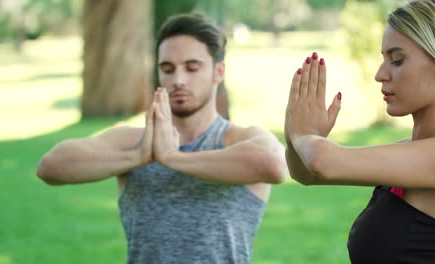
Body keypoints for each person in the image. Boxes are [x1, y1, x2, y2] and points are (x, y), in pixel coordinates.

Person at [37, 13, 286, 264]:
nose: (178, 80)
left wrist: (172, 158)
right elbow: (51, 166)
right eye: (167, 69)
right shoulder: (135, 143)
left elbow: (274, 166)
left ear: (217, 72)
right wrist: (137, 157)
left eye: (192, 68)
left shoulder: (239, 140)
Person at [284, 0, 435, 263]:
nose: (380, 74)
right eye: (383, 59)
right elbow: (307, 174)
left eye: (397, 60)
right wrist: (294, 131)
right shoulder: (411, 151)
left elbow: (321, 161)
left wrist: (305, 134)